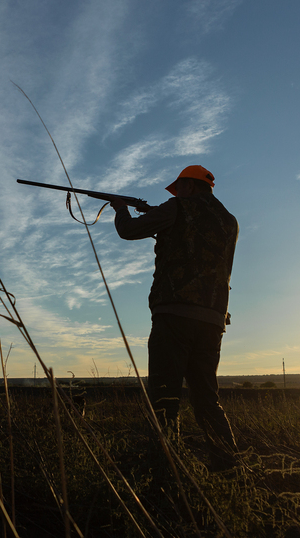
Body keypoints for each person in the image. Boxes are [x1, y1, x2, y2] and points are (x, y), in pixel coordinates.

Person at [109, 165, 239, 466]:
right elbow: (196, 241)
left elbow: (128, 232)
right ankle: (228, 464)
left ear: (189, 187)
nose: (175, 194)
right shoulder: (229, 221)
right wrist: (156, 214)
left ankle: (166, 467)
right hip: (213, 317)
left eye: (177, 189)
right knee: (207, 398)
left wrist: (120, 208)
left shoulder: (176, 207)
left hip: (174, 313)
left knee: (165, 397)